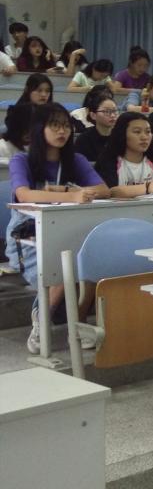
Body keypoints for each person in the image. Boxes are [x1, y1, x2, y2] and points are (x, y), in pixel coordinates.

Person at [8, 103, 110, 354]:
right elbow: (23, 195)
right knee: (65, 259)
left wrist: (66, 191)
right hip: (28, 234)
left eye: (65, 125)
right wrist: (70, 194)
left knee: (90, 254)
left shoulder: (75, 160)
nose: (62, 131)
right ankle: (42, 319)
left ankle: (75, 322)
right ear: (39, 129)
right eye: (54, 125)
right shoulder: (22, 160)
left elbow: (103, 190)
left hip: (67, 230)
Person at [94, 113, 153, 197]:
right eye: (137, 132)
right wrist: (148, 187)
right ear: (122, 134)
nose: (144, 137)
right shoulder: (109, 159)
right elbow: (110, 192)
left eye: (148, 132)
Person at [73, 89, 119, 161]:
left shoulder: (121, 137)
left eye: (114, 111)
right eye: (106, 111)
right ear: (93, 115)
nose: (113, 115)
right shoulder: (83, 140)